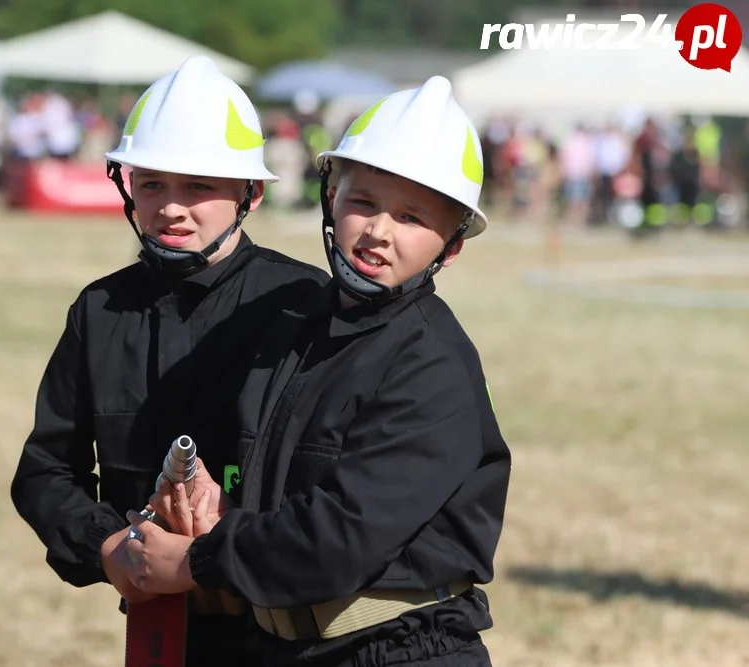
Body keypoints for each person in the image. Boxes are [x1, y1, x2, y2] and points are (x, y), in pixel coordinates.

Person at [123, 76, 512, 667]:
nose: (378, 231)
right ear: (331, 197)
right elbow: (269, 474)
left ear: (451, 246)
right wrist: (218, 501)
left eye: (411, 217)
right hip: (289, 647)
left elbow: (342, 536)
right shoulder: (295, 330)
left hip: (399, 652)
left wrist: (195, 563)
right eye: (364, 202)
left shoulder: (431, 363)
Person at [9, 56, 328, 667]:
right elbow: (46, 470)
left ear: (250, 194)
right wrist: (106, 549)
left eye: (198, 186)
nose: (172, 208)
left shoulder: (307, 307)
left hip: (289, 636)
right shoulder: (101, 309)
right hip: (161, 630)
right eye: (153, 184)